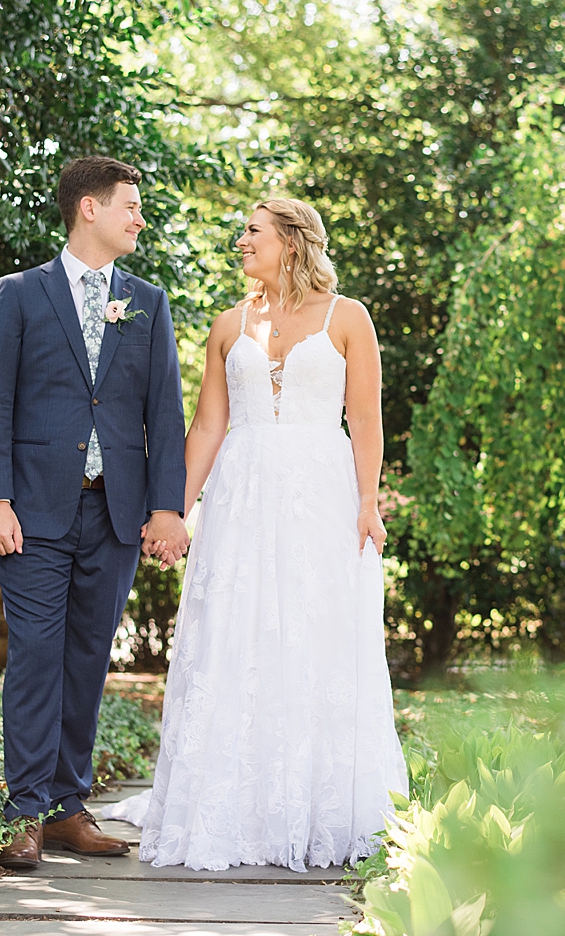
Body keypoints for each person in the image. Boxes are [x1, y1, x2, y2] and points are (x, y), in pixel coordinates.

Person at [107, 198, 408, 871]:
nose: (240, 241)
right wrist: (174, 511)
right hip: (241, 498)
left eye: (253, 231)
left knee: (312, 633)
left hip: (320, 495)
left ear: (292, 245)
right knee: (235, 634)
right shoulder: (226, 325)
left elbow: (364, 417)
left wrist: (367, 500)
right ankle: (235, 801)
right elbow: (209, 426)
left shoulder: (347, 317)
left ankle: (312, 803)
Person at [0, 156, 190, 870]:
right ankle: (24, 808)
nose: (139, 217)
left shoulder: (148, 303)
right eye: (130, 204)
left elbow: (164, 409)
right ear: (88, 209)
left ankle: (67, 807)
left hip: (116, 514)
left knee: (88, 660)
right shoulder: (20, 294)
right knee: (36, 655)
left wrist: (165, 507)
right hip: (31, 513)